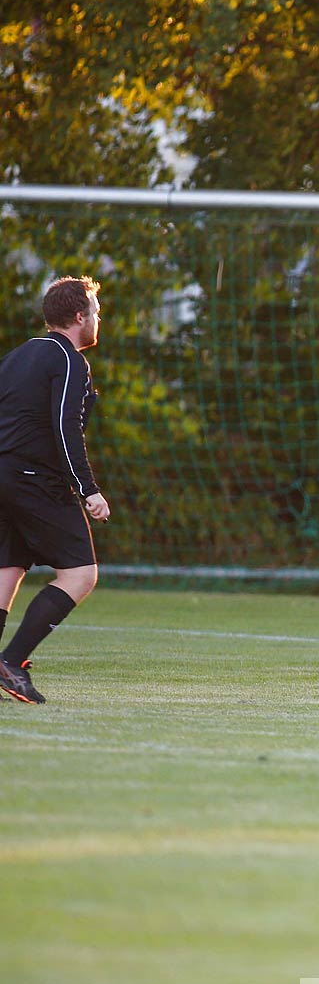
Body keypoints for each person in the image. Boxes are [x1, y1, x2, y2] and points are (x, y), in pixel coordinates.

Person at [0, 275, 112, 705]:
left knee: (8, 568)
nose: (99, 319)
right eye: (96, 312)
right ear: (79, 316)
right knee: (81, 574)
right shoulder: (67, 360)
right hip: (34, 478)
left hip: (5, 476)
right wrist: (88, 489)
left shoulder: (17, 356)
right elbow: (64, 427)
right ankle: (12, 661)